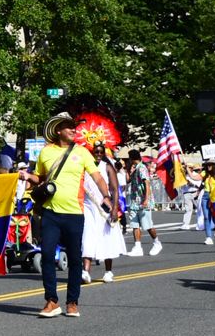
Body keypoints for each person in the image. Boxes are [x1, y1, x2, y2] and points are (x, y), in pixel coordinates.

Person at [29, 113, 110, 318]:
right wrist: (26, 176)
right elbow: (39, 177)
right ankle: (51, 301)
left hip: (74, 213)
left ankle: (72, 302)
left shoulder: (82, 152)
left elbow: (97, 176)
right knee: (47, 254)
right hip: (50, 212)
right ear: (58, 130)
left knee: (75, 258)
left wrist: (106, 196)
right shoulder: (46, 152)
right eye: (69, 127)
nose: (74, 130)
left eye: (74, 127)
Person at [82, 143, 124, 284]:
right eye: (95, 151)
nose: (98, 154)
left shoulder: (107, 167)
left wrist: (114, 209)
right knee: (87, 236)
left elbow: (115, 189)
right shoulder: (84, 167)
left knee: (106, 237)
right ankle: (86, 271)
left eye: (101, 152)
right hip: (88, 206)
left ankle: (108, 271)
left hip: (104, 207)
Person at [123, 152, 161, 257]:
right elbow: (128, 181)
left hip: (143, 200)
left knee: (147, 225)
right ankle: (138, 247)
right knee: (135, 225)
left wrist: (146, 199)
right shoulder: (135, 168)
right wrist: (128, 170)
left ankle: (157, 242)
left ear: (132, 158)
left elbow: (147, 183)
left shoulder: (142, 168)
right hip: (135, 201)